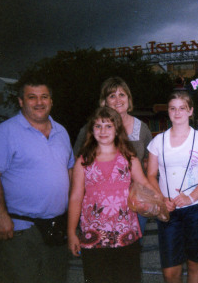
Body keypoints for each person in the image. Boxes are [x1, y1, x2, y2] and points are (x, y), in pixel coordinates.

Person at [0, 78, 74, 283]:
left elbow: (69, 171)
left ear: (51, 100)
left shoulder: (62, 132)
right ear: (21, 101)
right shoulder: (4, 133)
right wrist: (0, 215)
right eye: (32, 97)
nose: (39, 102)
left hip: (56, 226)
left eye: (44, 97)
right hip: (20, 229)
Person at [68, 107, 160, 283]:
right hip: (93, 236)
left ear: (117, 129)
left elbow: (144, 183)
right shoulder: (83, 160)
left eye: (108, 126)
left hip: (126, 235)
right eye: (98, 126)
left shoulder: (129, 157)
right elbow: (75, 197)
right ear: (91, 129)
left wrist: (161, 200)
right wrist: (72, 232)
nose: (103, 131)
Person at [147, 91, 198, 283]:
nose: (177, 113)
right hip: (169, 211)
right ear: (168, 112)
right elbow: (151, 175)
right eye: (173, 108)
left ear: (190, 111)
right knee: (171, 271)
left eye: (182, 108)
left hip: (197, 209)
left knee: (195, 263)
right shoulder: (157, 142)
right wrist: (162, 199)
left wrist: (190, 197)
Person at [73, 76, 153, 234]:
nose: (118, 100)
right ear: (104, 101)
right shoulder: (92, 129)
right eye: (112, 95)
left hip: (136, 202)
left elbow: (150, 164)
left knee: (132, 248)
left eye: (122, 95)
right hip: (100, 205)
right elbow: (77, 164)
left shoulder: (142, 128)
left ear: (129, 99)